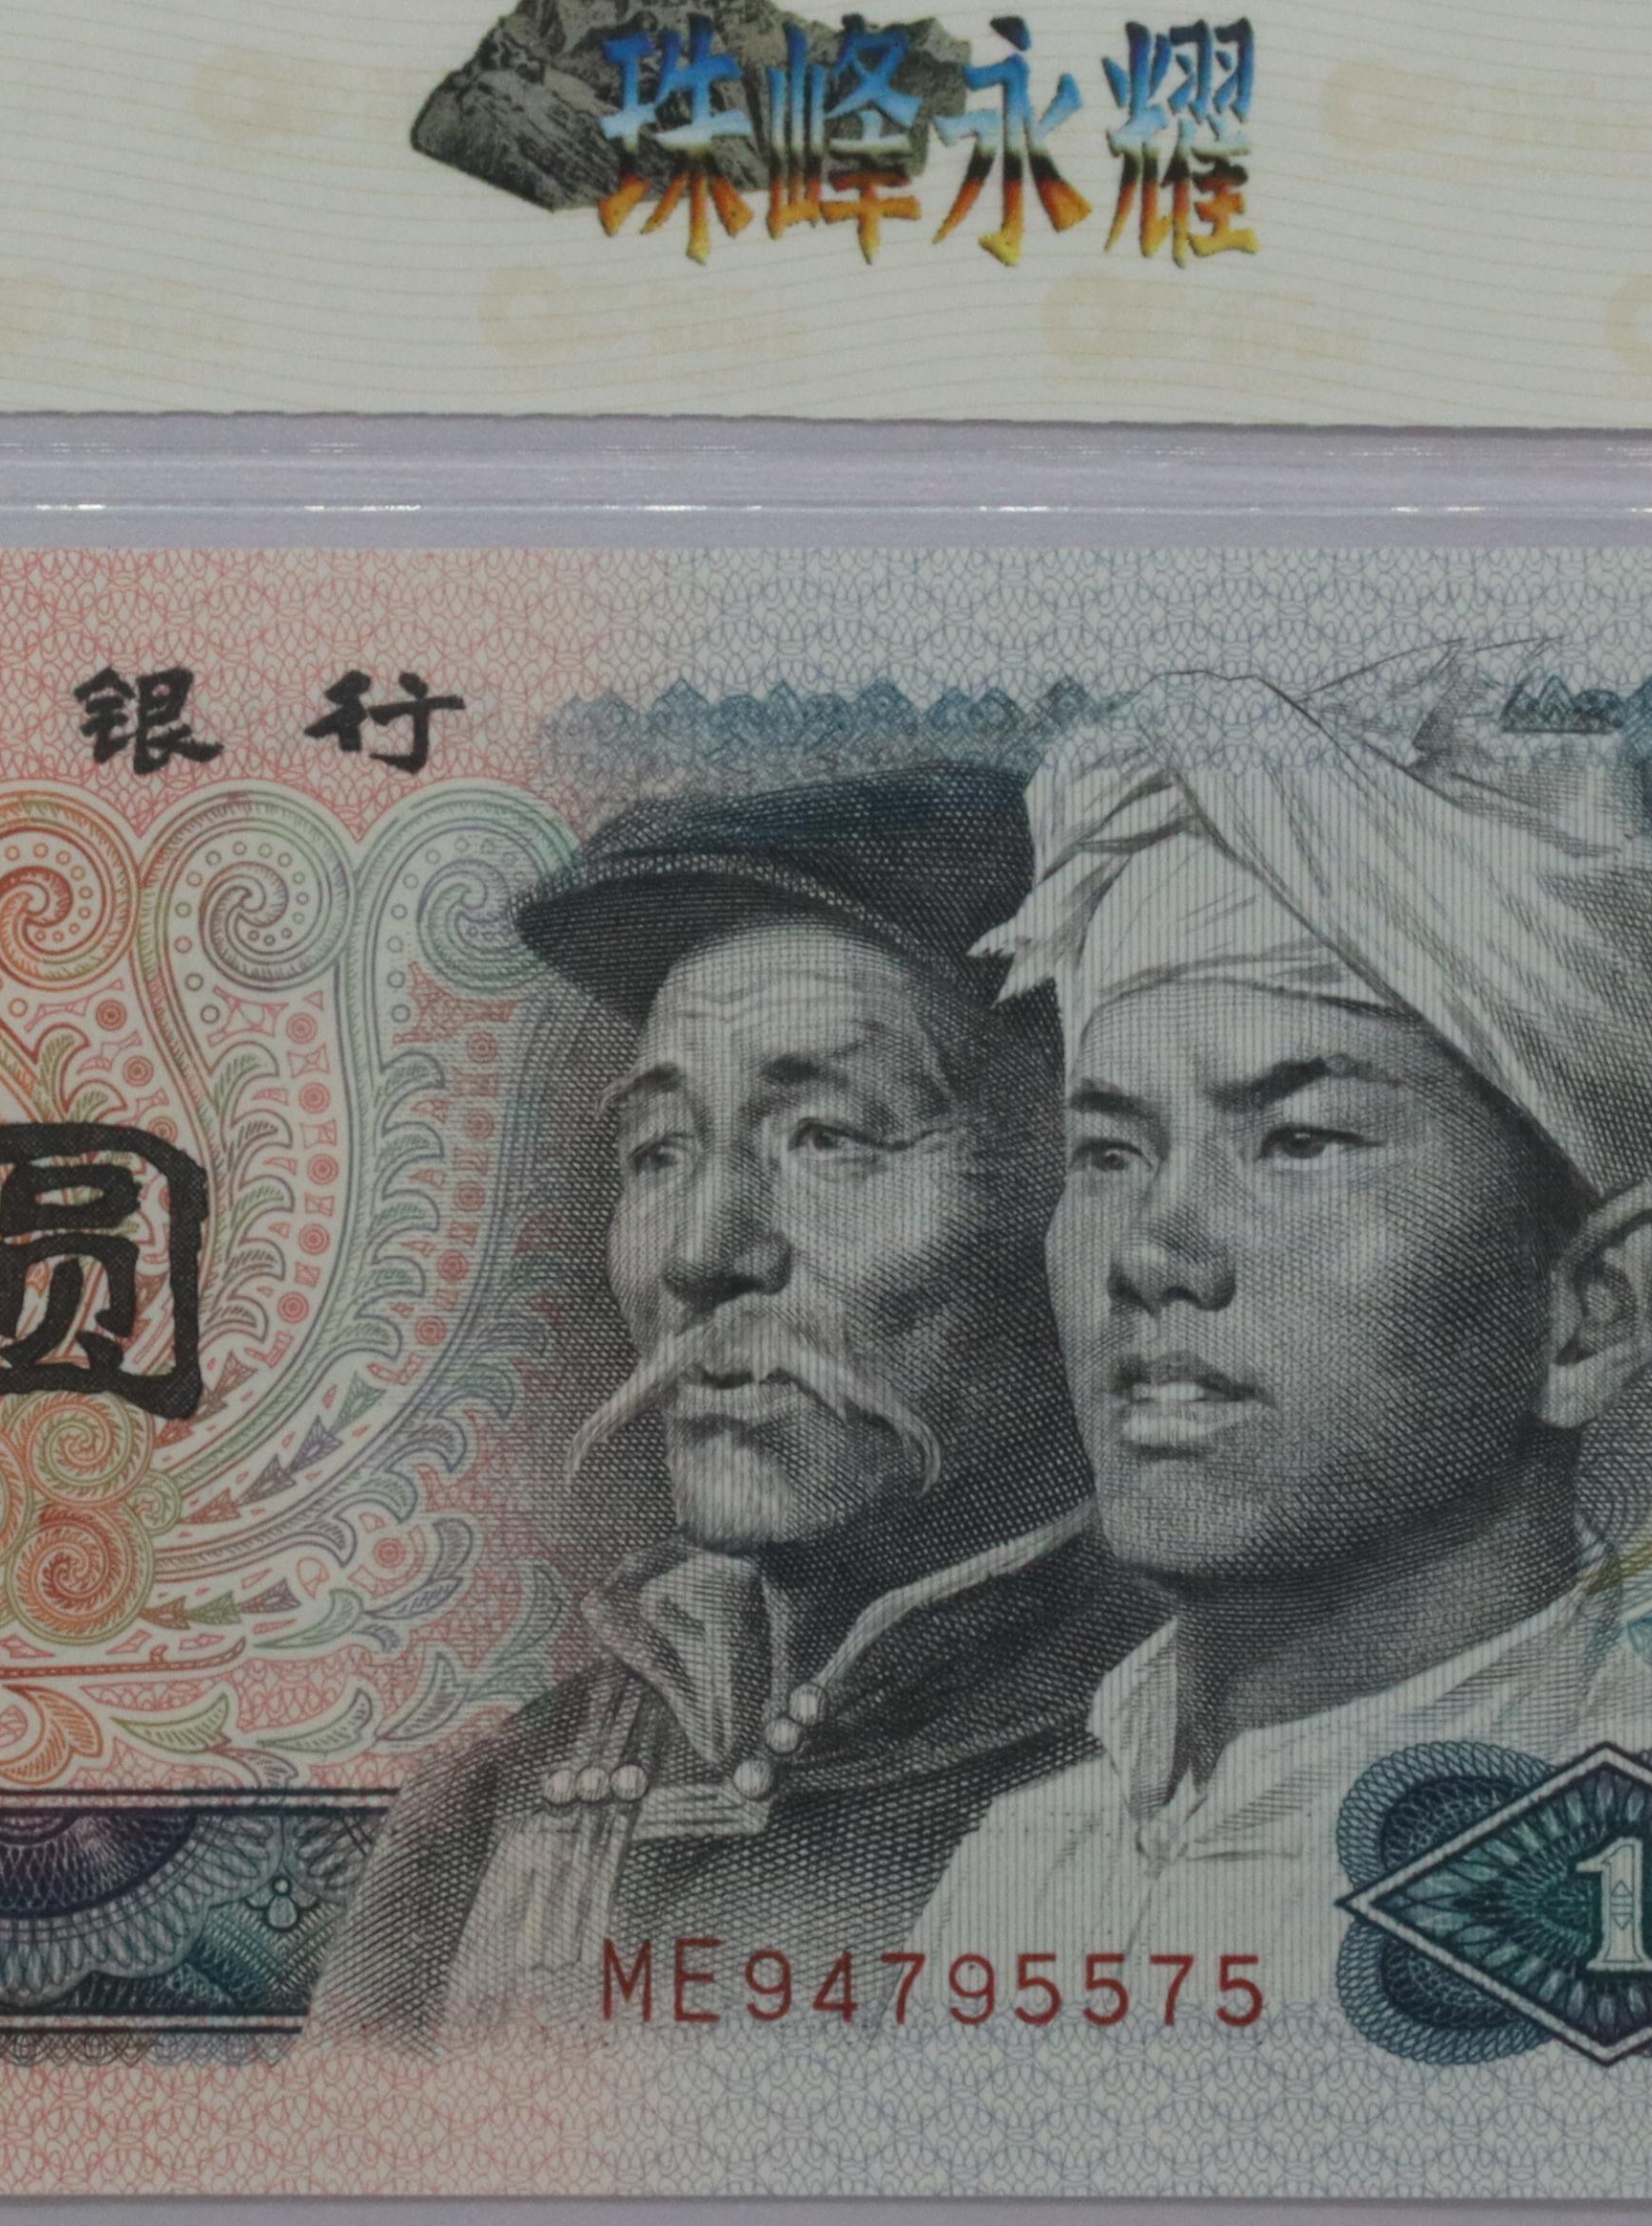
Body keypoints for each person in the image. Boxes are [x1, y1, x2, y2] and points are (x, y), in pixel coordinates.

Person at [908, 649, 1652, 1990]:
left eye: (1298, 1141)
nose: (1153, 1253)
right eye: (1109, 1151)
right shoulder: (1015, 1875)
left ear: (1589, 1310)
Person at [319, 762, 1153, 2036]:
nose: (703, 1253)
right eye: (658, 1150)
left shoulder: (1212, 1765)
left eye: (827, 1137)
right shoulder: (500, 1804)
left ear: (1084, 1194)